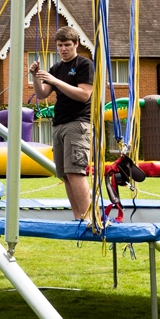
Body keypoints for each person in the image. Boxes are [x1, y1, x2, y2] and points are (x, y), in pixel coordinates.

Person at [29, 26, 94, 219]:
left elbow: (84, 95)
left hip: (78, 123)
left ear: (76, 44)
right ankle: (77, 218)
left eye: (67, 45)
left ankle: (87, 219)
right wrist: (35, 76)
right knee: (65, 175)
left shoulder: (84, 64)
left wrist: (55, 81)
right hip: (59, 124)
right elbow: (42, 94)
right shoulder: (56, 68)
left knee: (76, 172)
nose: (63, 49)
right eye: (60, 45)